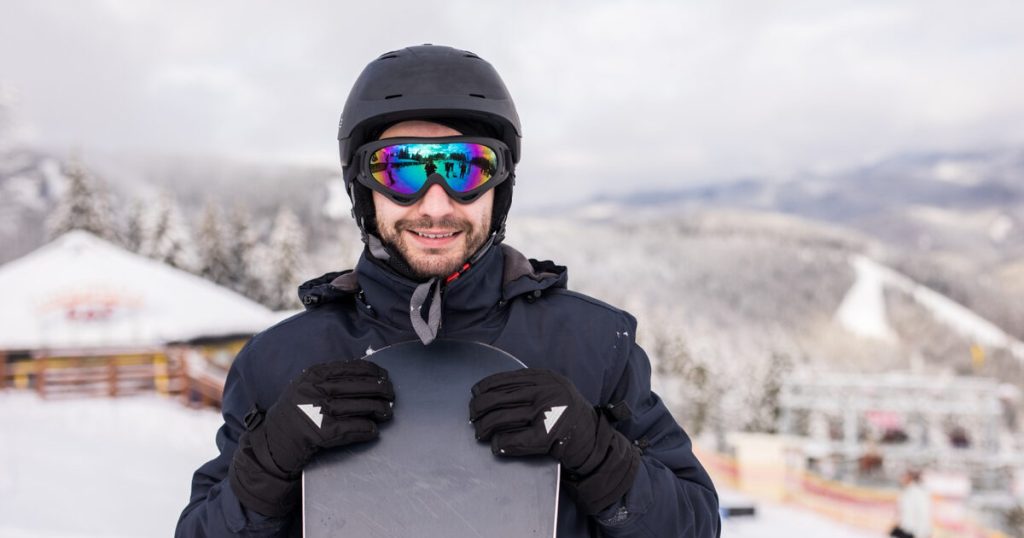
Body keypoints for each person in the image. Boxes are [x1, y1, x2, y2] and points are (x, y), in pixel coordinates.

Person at [175, 44, 720, 537]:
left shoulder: (594, 346)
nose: (435, 206)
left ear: (499, 188)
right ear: (362, 190)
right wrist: (266, 466)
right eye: (401, 172)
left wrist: (600, 456)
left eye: (463, 170)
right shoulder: (278, 362)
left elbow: (696, 526)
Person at [890, 469, 931, 538]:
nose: (901, 479)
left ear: (910, 477)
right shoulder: (906, 491)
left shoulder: (918, 493)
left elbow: (923, 513)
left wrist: (922, 533)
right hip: (905, 530)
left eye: (904, 476)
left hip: (914, 532)